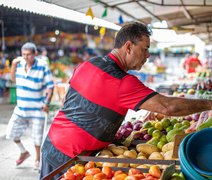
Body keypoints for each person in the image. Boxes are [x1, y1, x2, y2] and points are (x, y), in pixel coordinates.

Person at [40, 22, 212, 179]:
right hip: (71, 156)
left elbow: (69, 101)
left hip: (53, 144)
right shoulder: (123, 82)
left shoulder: (88, 64)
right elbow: (168, 107)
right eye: (145, 49)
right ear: (128, 46)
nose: (148, 55)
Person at [6, 42, 54, 169]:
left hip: (37, 109)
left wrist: (46, 103)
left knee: (37, 138)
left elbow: (50, 86)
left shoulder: (43, 66)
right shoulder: (19, 64)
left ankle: (37, 160)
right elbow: (12, 79)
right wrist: (14, 64)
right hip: (21, 108)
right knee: (11, 132)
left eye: (29, 55)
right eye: (24, 55)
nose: (26, 57)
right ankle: (23, 152)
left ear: (35, 54)